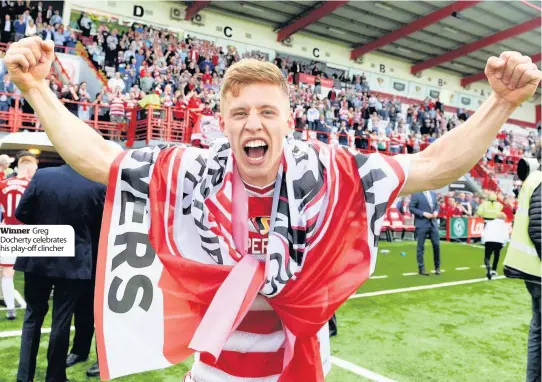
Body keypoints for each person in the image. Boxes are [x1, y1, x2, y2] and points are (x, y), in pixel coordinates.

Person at [4, 36, 541, 381]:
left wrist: (501, 103)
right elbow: (99, 157)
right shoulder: (191, 171)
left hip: (302, 364)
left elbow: (433, 165)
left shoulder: (336, 173)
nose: (253, 124)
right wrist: (36, 89)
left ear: (289, 119)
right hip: (216, 369)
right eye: (239, 113)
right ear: (222, 121)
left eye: (267, 111)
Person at [13, 164, 106, 382]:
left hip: (38, 250)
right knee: (61, 321)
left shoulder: (43, 175)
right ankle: (54, 377)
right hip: (74, 259)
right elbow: (100, 225)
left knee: (32, 317)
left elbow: (21, 212)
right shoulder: (96, 184)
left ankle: (24, 376)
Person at [504, 144, 541, 382]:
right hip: (538, 269)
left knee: (538, 330)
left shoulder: (534, 179)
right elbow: (538, 226)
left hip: (532, 270)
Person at [0, 151, 38, 320]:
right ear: (30, 170)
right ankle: (34, 304)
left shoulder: (3, 184)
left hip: (8, 229)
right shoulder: (32, 185)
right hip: (26, 231)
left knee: (8, 273)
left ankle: (10, 308)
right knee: (33, 270)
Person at [409, 190, 440, 276]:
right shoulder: (416, 194)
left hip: (433, 223)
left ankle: (437, 267)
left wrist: (436, 212)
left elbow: (437, 206)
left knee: (436, 245)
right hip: (421, 223)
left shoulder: (433, 194)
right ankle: (421, 268)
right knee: (420, 246)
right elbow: (411, 208)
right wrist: (423, 213)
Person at [481, 212, 510, 280]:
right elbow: (506, 235)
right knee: (496, 255)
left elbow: (485, 232)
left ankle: (488, 266)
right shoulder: (505, 225)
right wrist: (504, 243)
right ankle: (493, 270)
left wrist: (483, 241)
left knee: (487, 256)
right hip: (499, 241)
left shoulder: (489, 223)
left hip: (489, 240)